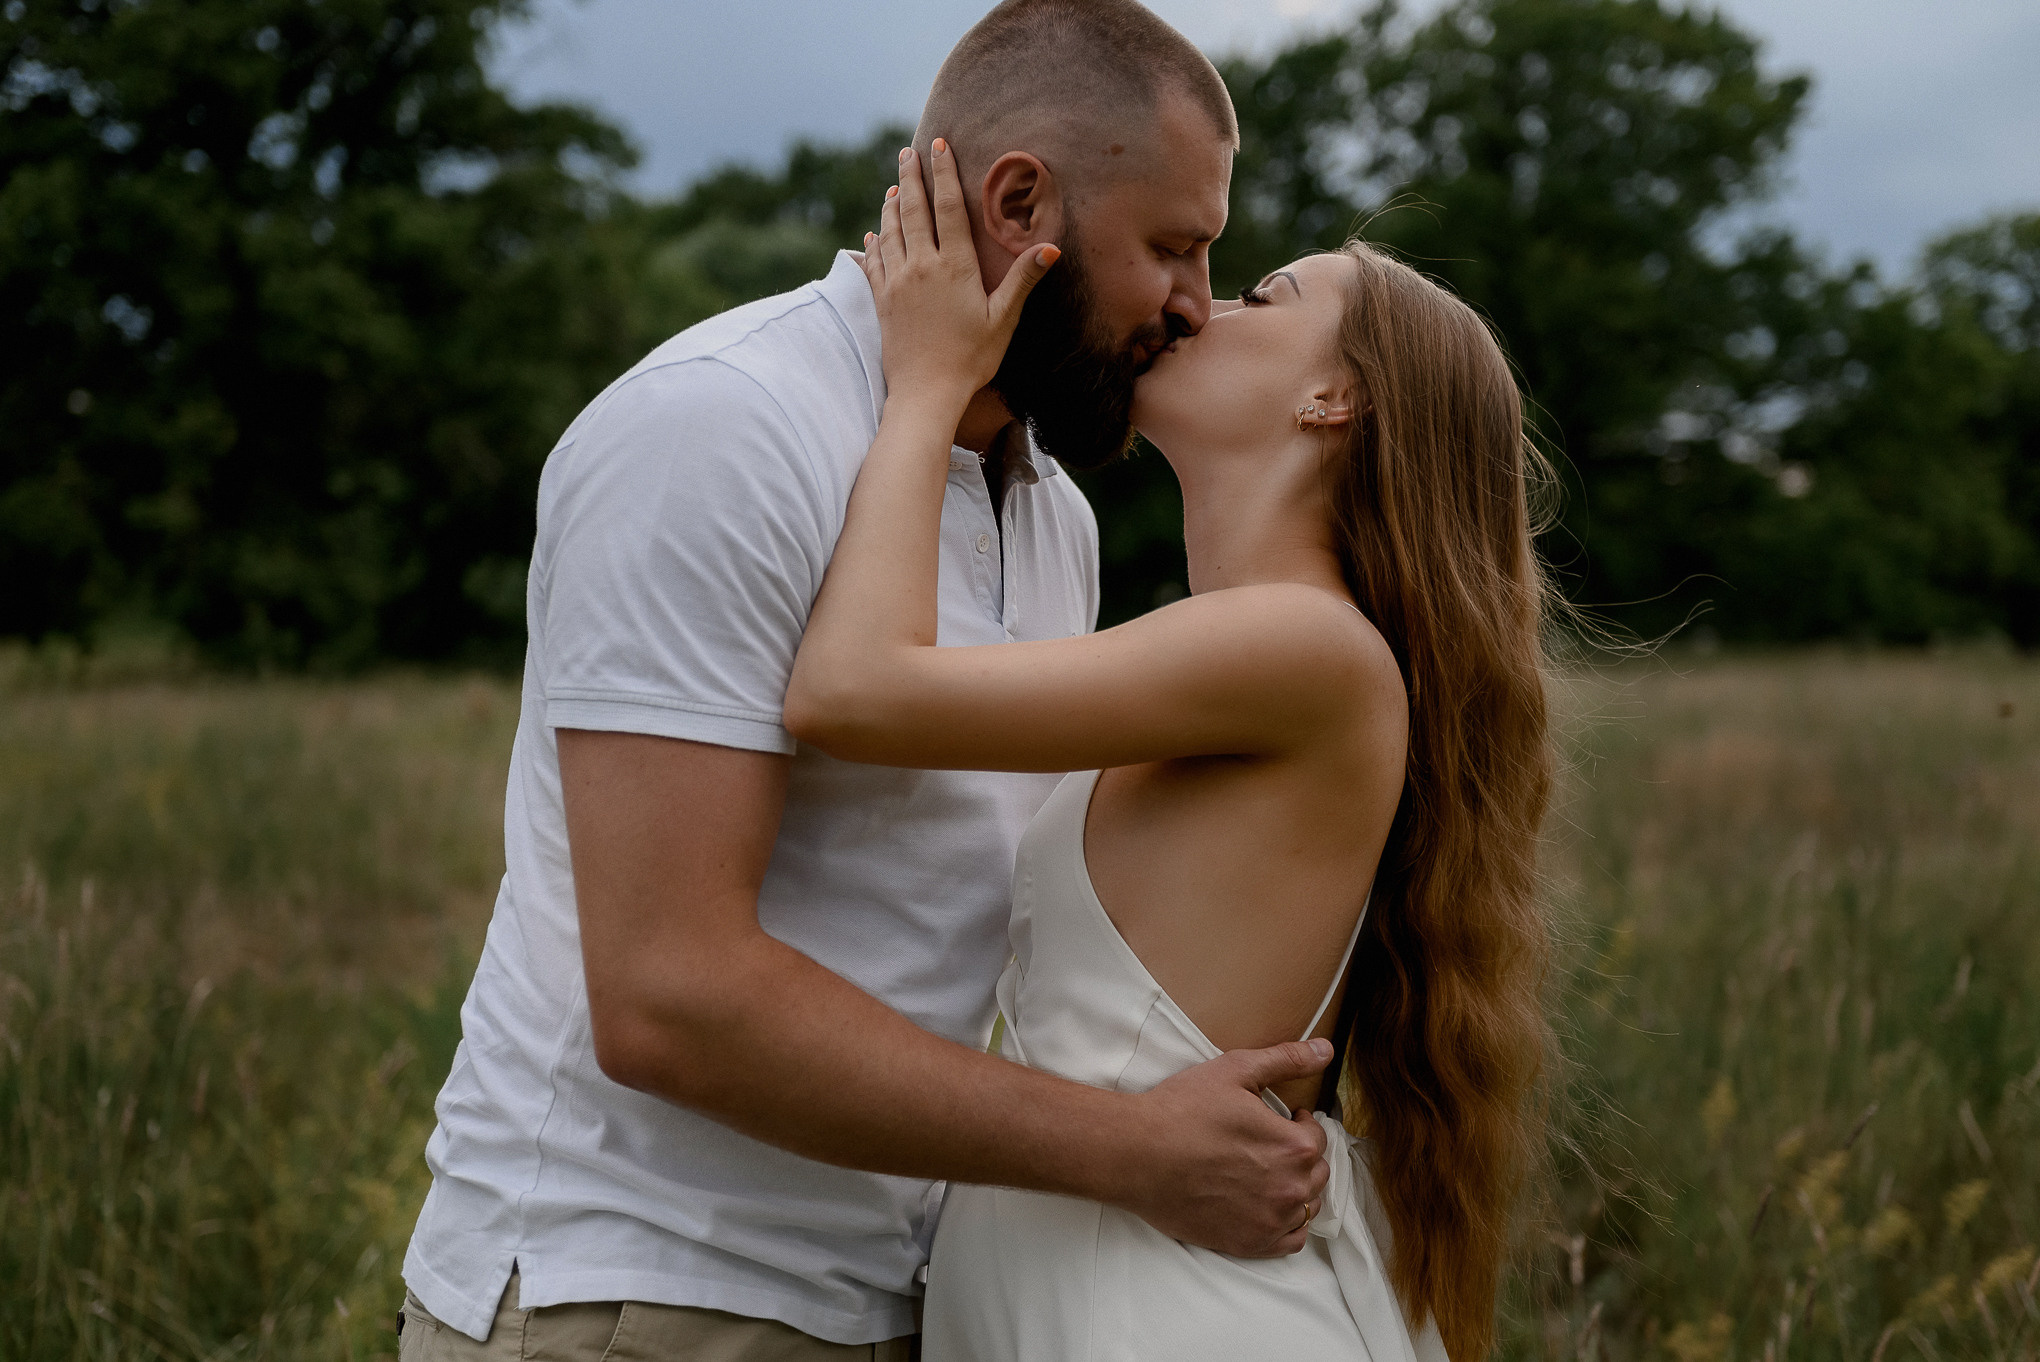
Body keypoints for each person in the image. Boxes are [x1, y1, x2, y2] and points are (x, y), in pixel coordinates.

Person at [398, 4, 1341, 1360]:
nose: (1197, 303)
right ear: (1019, 204)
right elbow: (669, 995)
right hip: (634, 1299)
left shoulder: (1054, 512)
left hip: (892, 1303)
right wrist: (1134, 1148)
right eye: (1173, 248)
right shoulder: (721, 427)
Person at [783, 135, 1557, 1361]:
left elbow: (851, 693)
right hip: (1107, 1289)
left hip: (1163, 1310)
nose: (1199, 308)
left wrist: (926, 382)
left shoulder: (1303, 647)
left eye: (1263, 298)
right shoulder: (1236, 653)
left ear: (1334, 399)